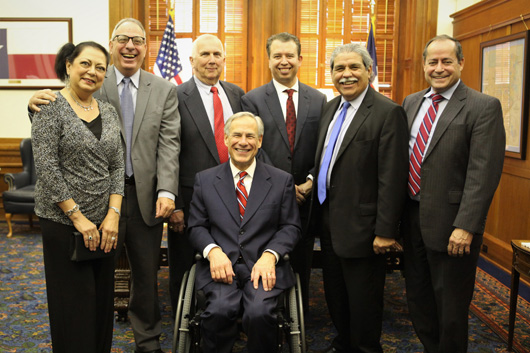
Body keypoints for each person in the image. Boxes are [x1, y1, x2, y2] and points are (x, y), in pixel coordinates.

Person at [29, 18, 181, 353]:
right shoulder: (97, 82)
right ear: (112, 46)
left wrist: (167, 190)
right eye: (122, 39)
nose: (130, 45)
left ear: (146, 48)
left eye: (138, 40)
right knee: (89, 284)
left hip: (143, 198)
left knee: (145, 275)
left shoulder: (164, 90)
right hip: (90, 207)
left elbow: (170, 144)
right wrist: (32, 105)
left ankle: (148, 340)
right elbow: (52, 136)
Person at [401, 34, 505, 353]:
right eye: (433, 62)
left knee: (451, 308)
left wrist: (466, 226)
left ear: (461, 63)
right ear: (423, 65)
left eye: (447, 61)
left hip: (452, 225)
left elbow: (482, 173)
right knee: (418, 298)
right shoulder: (411, 102)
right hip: (412, 218)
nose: (439, 68)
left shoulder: (483, 106)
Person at [313, 43, 409, 352]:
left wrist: (385, 231)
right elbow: (330, 159)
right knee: (336, 294)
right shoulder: (330, 107)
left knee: (364, 301)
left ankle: (366, 349)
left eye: (354, 67)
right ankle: (344, 343)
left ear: (369, 70)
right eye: (339, 69)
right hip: (329, 220)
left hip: (366, 229)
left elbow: (392, 177)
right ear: (331, 75)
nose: (346, 75)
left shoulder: (387, 111)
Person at [31, 41, 124, 353]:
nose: (92, 72)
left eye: (100, 67)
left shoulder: (109, 112)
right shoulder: (48, 108)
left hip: (105, 227)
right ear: (69, 65)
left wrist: (113, 215)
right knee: (73, 307)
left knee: (100, 305)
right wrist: (78, 218)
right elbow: (47, 167)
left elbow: (117, 165)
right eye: (85, 63)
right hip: (63, 224)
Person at [187, 112, 301, 353]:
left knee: (259, 313)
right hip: (220, 267)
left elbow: (290, 227)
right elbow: (196, 226)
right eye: (237, 135)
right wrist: (213, 251)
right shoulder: (205, 180)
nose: (243, 141)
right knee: (218, 311)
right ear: (226, 139)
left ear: (259, 141)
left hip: (263, 268)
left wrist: (270, 256)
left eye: (250, 136)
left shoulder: (281, 181)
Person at [167, 34, 258, 315]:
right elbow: (168, 151)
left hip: (234, 200)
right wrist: (176, 204)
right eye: (204, 54)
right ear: (192, 60)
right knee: (185, 267)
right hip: (192, 200)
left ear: (224, 60)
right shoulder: (176, 96)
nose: (211, 60)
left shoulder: (236, 93)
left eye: (217, 54)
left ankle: (230, 319)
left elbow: (244, 143)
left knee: (231, 261)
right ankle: (187, 322)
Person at [241, 32, 326, 310]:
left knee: (301, 259)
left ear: (300, 59)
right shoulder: (252, 99)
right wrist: (286, 186)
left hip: (308, 197)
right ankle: (265, 310)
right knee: (266, 254)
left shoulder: (320, 99)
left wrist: (310, 182)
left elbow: (325, 147)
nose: (284, 61)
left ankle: (297, 312)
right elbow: (253, 148)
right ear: (269, 60)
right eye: (277, 56)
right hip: (267, 196)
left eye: (290, 55)